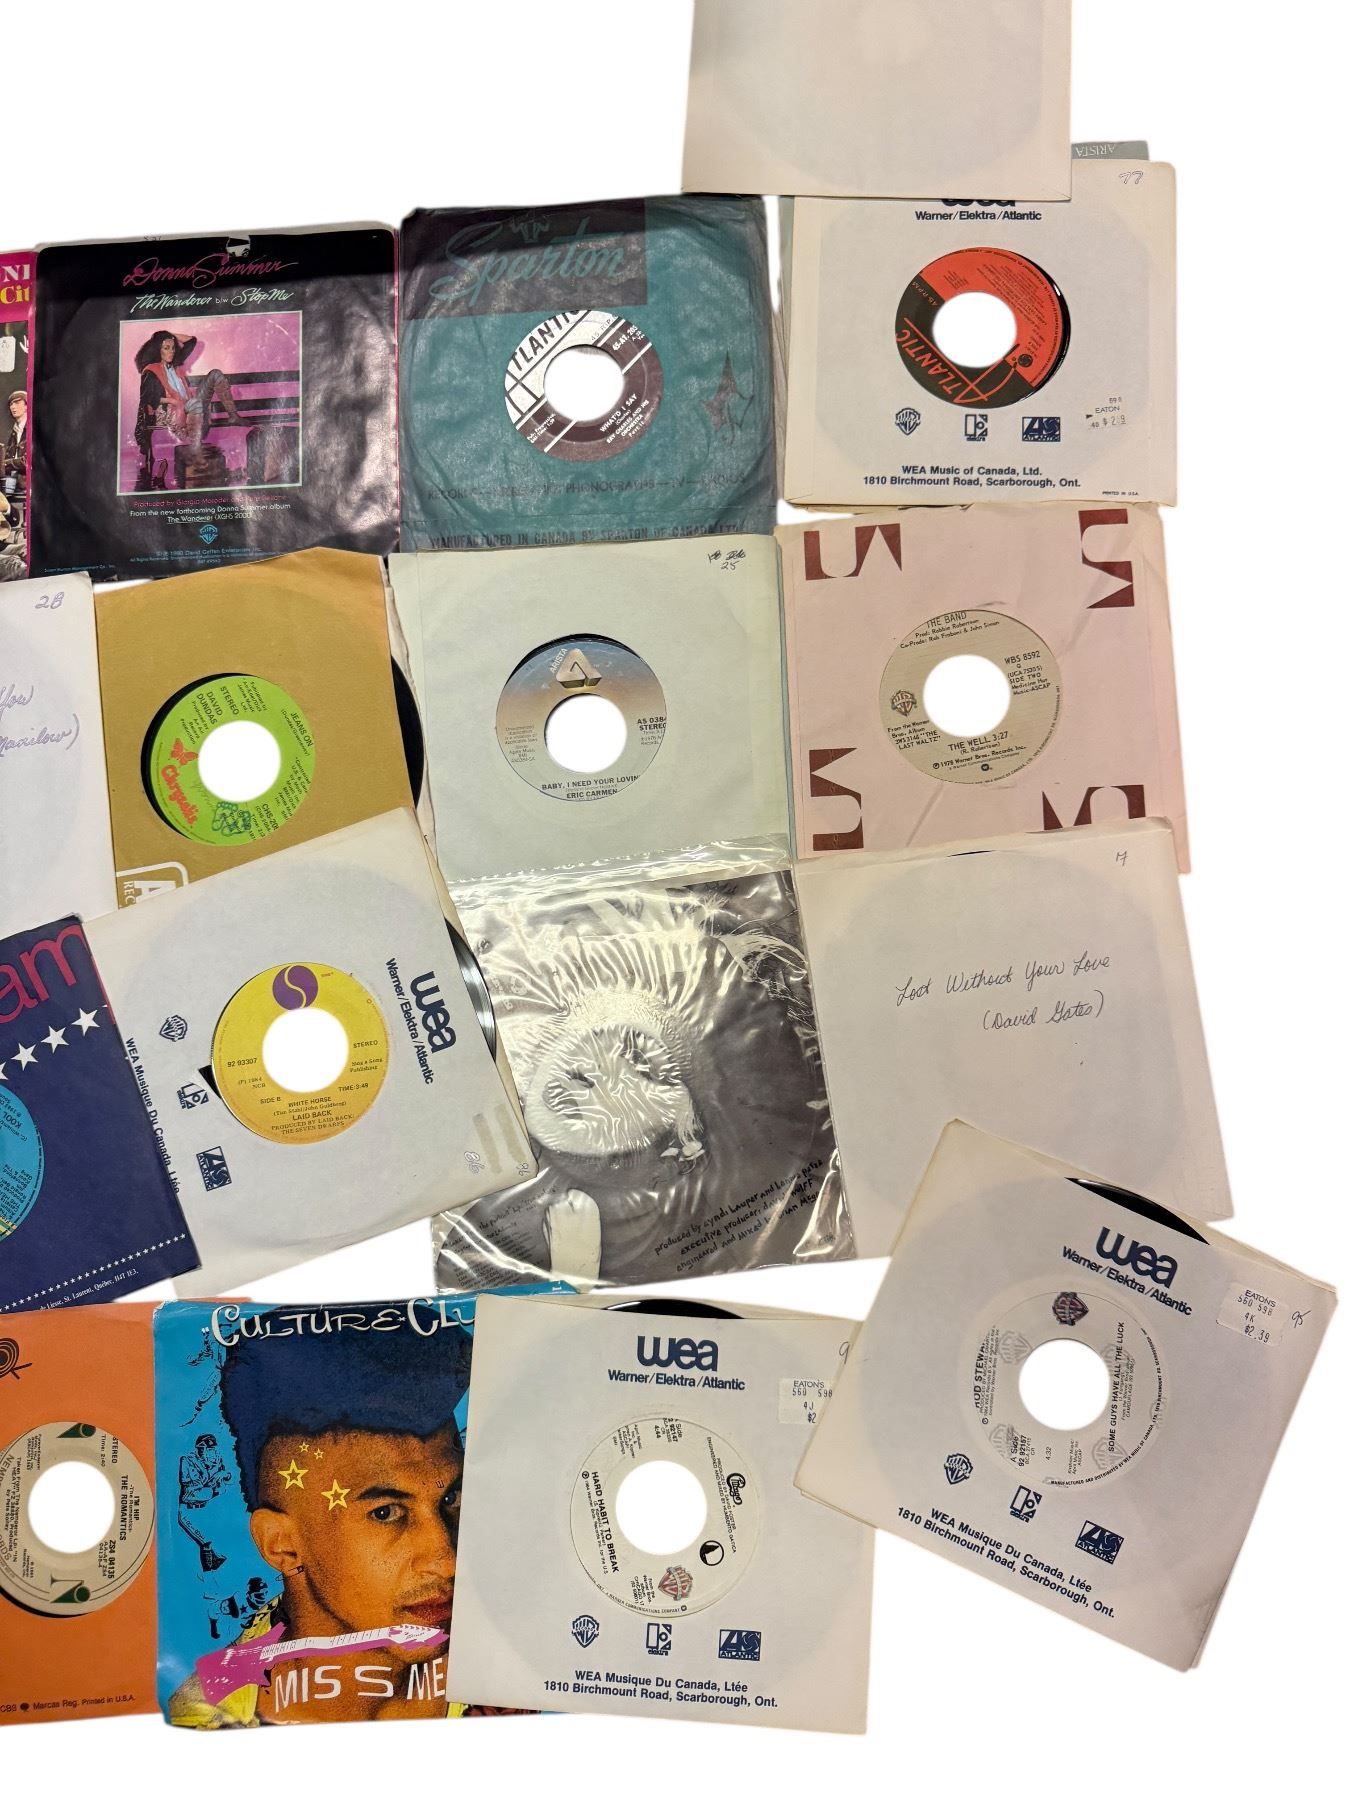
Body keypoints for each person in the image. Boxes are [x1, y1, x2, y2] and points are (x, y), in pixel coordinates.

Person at [167, 1311, 494, 1727]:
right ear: (282, 1545)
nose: (448, 1561)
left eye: (452, 1498)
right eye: (386, 1513)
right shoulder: (201, 1723)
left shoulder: (518, 1674)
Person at [132, 331, 242, 490]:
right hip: (173, 411)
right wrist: (172, 400)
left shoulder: (174, 364)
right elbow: (148, 398)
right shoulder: (152, 370)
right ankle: (196, 450)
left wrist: (168, 334)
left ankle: (233, 416)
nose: (171, 351)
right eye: (166, 348)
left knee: (215, 375)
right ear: (157, 349)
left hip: (189, 404)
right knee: (196, 404)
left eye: (172, 348)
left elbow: (191, 341)